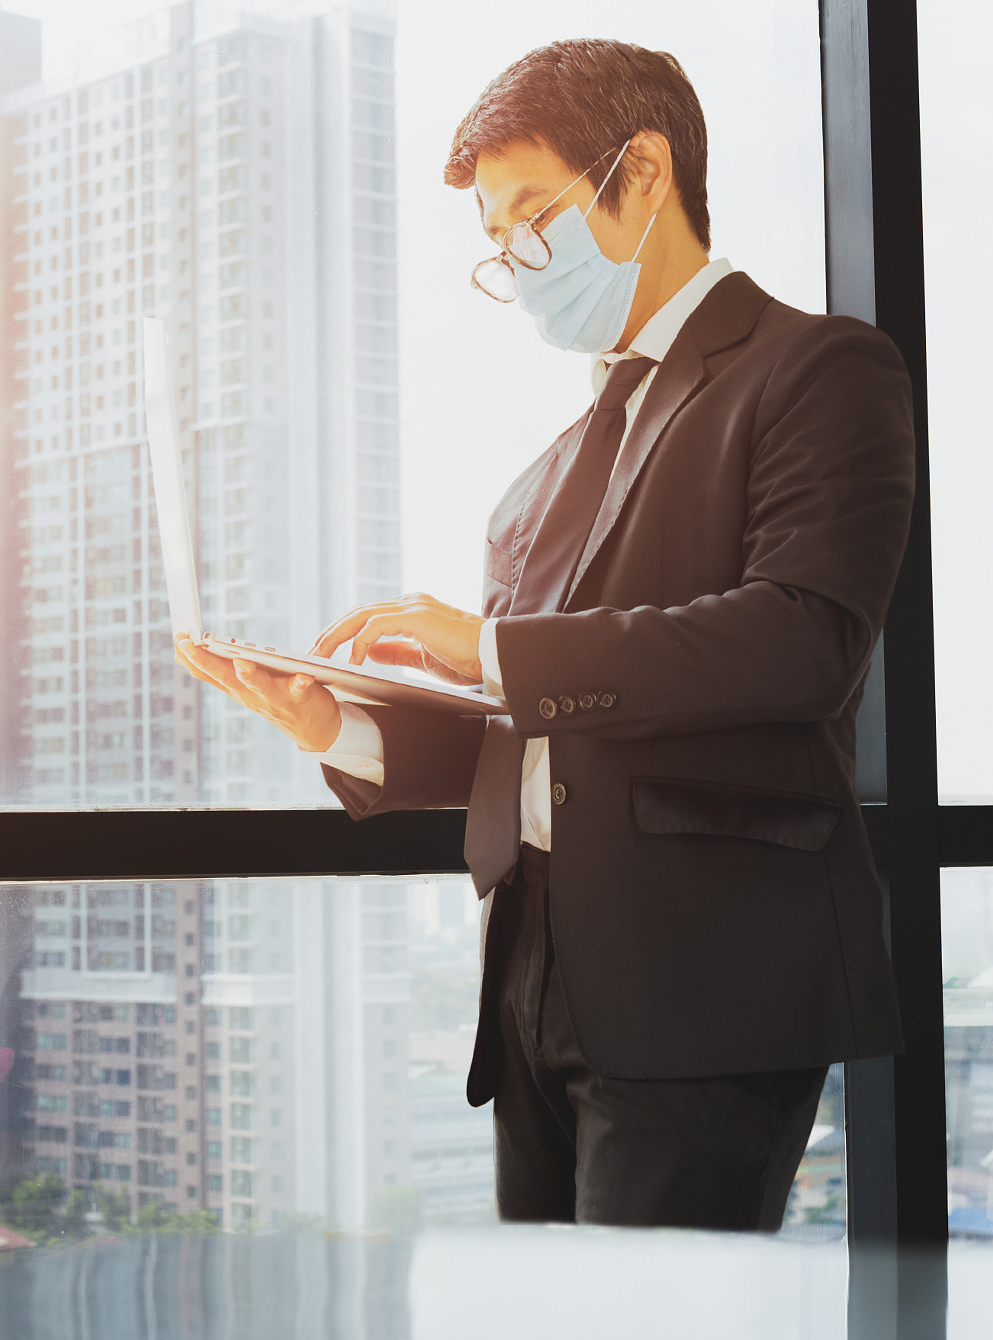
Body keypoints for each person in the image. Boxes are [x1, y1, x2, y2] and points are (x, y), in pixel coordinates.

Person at [178, 38, 913, 1232]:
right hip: (528, 974)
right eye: (495, 242)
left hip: (702, 979)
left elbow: (801, 639)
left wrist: (489, 648)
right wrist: (341, 726)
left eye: (531, 217)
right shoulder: (539, 482)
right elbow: (534, 732)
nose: (516, 262)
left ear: (642, 173)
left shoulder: (816, 370)